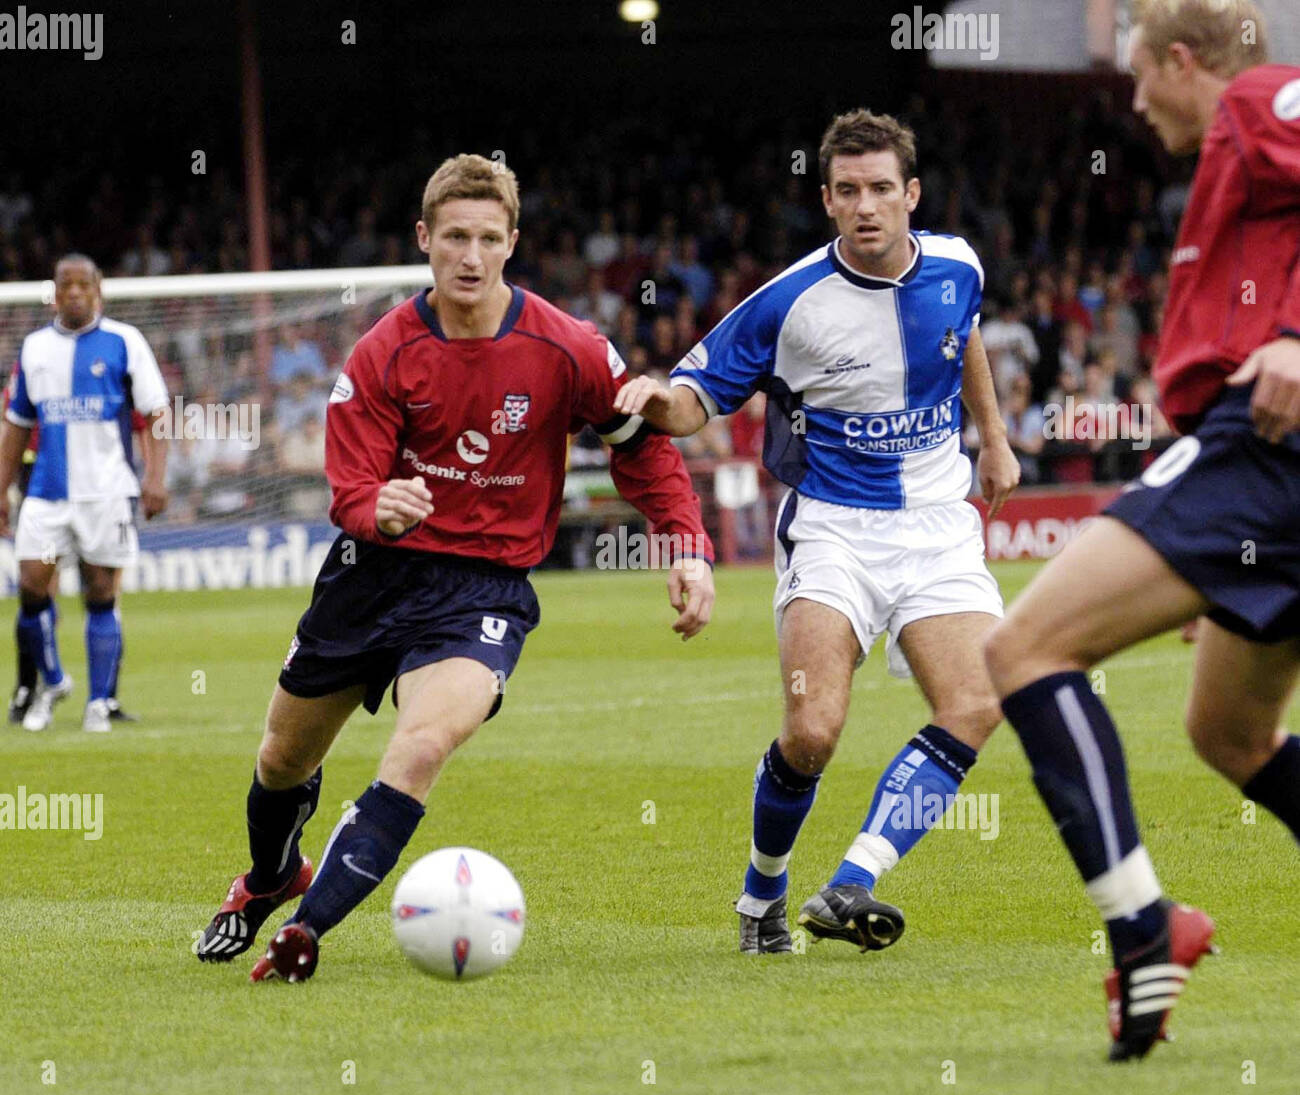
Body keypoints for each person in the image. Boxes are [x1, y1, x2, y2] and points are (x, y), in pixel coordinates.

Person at [195, 154, 716, 982]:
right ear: (424, 241)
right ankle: (268, 878)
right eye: (453, 239)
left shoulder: (568, 346)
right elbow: (351, 486)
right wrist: (379, 508)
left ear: (513, 243)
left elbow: (639, 447)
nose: (470, 257)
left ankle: (304, 931)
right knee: (281, 761)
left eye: (487, 239)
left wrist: (685, 541)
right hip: (373, 573)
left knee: (423, 742)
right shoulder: (382, 354)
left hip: (484, 589)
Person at [615, 110, 1019, 955]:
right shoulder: (788, 302)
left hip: (940, 523)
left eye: (881, 189)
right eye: (847, 192)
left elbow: (966, 334)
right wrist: (658, 399)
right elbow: (697, 397)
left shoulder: (958, 266)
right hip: (834, 527)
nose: (866, 206)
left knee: (978, 700)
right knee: (811, 731)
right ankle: (762, 892)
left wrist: (996, 439)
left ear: (911, 193)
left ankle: (855, 879)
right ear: (826, 200)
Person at [984, 0, 1300, 1060]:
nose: (1130, 101)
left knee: (1021, 649)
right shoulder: (1237, 161)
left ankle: (1142, 927)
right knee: (1228, 731)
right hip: (1255, 482)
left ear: (1179, 60)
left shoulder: (1257, 100)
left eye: (1136, 77)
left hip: (1264, 450)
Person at [0, 254, 169, 732]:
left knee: (100, 590)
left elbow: (156, 414)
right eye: (65, 285)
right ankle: (52, 680)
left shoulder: (125, 342)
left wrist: (154, 478)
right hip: (46, 492)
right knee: (32, 583)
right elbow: (16, 425)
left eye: (83, 285)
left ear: (99, 291)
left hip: (107, 492)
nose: (74, 293)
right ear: (53, 293)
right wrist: (0, 489)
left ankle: (99, 702)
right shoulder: (33, 348)